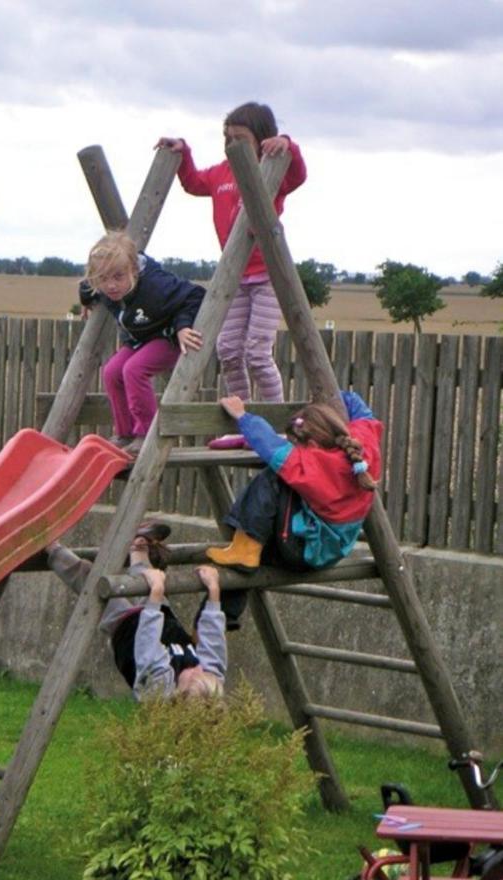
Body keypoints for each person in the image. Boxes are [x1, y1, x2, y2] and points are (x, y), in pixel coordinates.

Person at [156, 101, 307, 449]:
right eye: (227, 138)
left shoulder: (273, 169)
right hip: (234, 277)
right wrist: (184, 153)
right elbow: (193, 183)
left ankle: (277, 423)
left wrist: (287, 143)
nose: (232, 144)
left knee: (256, 352)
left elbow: (299, 174)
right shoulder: (222, 173)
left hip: (267, 275)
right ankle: (243, 424)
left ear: (262, 139)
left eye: (240, 138)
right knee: (227, 350)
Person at [46, 520, 244, 701]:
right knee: (146, 574)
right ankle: (139, 543)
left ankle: (50, 546)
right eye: (204, 671)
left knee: (90, 579)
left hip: (128, 628)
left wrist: (157, 592)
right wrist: (214, 591)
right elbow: (213, 642)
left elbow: (147, 643)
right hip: (163, 619)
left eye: (194, 674)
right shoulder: (209, 680)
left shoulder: (160, 688)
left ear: (179, 690)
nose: (198, 668)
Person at [206, 392, 383, 572]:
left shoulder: (310, 466)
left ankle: (245, 550)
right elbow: (354, 401)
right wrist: (330, 394)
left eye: (296, 444)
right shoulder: (364, 446)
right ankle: (246, 548)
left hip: (303, 552)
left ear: (312, 445)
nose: (295, 448)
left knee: (273, 477)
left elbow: (269, 445)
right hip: (334, 552)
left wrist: (242, 415)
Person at [80, 231, 205, 456]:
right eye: (103, 279)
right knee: (111, 371)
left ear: (134, 271)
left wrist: (183, 326)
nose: (111, 286)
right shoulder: (104, 285)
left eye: (118, 277)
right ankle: (124, 433)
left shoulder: (156, 287)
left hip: (167, 338)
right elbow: (87, 287)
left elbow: (195, 295)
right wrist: (85, 301)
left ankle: (146, 433)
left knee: (133, 370)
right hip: (140, 339)